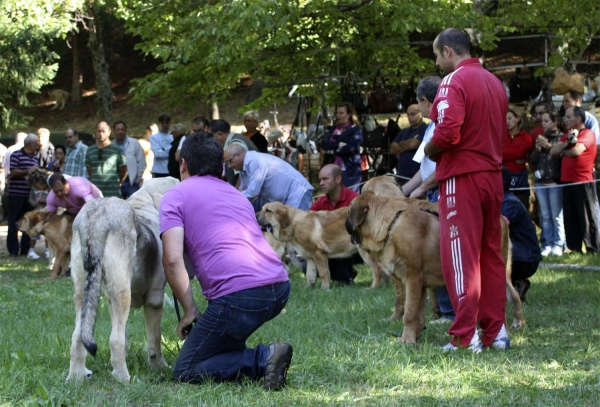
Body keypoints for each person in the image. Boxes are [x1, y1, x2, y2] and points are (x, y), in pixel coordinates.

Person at [160, 132, 292, 389]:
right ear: (221, 165)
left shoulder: (176, 195)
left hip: (240, 297)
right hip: (279, 288)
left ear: (183, 163)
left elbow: (173, 259)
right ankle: (254, 357)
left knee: (186, 369)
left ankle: (263, 358)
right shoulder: (236, 195)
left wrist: (190, 311)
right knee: (219, 336)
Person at [424, 28, 509, 351]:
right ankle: (495, 331)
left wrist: (430, 151)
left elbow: (447, 133)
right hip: (492, 175)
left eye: (436, 55)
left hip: (463, 177)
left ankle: (465, 334)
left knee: (460, 255)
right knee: (490, 254)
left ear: (448, 51)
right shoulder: (494, 82)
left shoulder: (453, 81)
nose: (436, 62)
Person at [400, 76, 455, 324]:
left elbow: (441, 169)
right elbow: (424, 167)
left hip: (440, 195)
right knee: (434, 252)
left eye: (418, 104)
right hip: (427, 192)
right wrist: (404, 191)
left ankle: (451, 311)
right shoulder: (432, 126)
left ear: (424, 101)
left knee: (443, 252)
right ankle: (444, 310)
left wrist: (420, 191)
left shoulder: (443, 124)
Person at [550, 106, 600, 253]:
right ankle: (574, 247)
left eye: (568, 117)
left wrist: (564, 151)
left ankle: (592, 248)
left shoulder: (588, 133)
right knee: (570, 216)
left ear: (578, 119)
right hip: (567, 181)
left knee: (586, 216)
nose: (565, 120)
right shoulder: (568, 135)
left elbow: (577, 151)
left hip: (583, 181)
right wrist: (566, 143)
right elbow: (553, 151)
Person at [224, 144, 314, 210]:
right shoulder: (245, 167)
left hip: (298, 193)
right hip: (289, 197)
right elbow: (243, 190)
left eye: (230, 161)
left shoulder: (255, 161)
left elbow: (252, 192)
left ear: (239, 155)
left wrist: (230, 201)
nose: (229, 166)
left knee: (301, 230)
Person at [310, 164, 359, 285]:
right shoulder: (320, 203)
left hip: (355, 247)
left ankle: (345, 278)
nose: (321, 183)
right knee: (306, 264)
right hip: (330, 248)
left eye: (325, 179)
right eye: (320, 179)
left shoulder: (354, 199)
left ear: (338, 179)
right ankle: (345, 274)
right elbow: (309, 220)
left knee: (344, 242)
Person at [501, 167, 541, 302]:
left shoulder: (509, 203)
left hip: (525, 258)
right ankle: (517, 282)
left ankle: (516, 283)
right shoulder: (503, 200)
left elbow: (499, 228)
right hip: (521, 255)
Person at [529, 111, 566, 256]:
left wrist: (549, 146)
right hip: (541, 183)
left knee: (557, 215)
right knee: (544, 215)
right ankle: (547, 243)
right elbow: (532, 160)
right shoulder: (541, 138)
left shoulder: (562, 138)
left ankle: (559, 243)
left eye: (546, 121)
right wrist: (538, 150)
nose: (542, 123)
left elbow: (562, 157)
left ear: (555, 122)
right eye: (541, 121)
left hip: (555, 182)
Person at [7, 134, 39, 257]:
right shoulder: (16, 155)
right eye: (36, 143)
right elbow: (13, 172)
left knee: (29, 222)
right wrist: (28, 170)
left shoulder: (35, 157)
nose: (38, 145)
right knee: (14, 222)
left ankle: (25, 249)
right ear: (29, 144)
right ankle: (13, 250)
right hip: (16, 195)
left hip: (29, 196)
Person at [321, 102, 363, 192]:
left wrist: (332, 150)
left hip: (350, 170)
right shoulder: (334, 129)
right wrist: (338, 145)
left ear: (349, 115)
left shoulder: (356, 130)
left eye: (341, 113)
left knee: (351, 199)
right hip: (333, 169)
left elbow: (350, 149)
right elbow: (324, 143)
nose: (338, 115)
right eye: (337, 113)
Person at [210, 119, 258, 186]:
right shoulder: (233, 140)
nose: (212, 140)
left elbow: (239, 174)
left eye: (212, 136)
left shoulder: (234, 144)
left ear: (220, 134)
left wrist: (236, 193)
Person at [85, 121, 127, 197]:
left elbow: (123, 170)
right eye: (99, 131)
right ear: (95, 132)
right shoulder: (90, 150)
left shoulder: (117, 150)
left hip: (112, 193)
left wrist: (119, 182)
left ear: (109, 132)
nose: (101, 134)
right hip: (96, 193)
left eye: (104, 131)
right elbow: (89, 170)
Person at [389, 104, 428, 184]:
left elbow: (413, 144)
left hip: (418, 177)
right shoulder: (404, 131)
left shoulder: (426, 129)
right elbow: (392, 149)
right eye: (408, 114)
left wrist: (400, 142)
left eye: (413, 114)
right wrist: (408, 144)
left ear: (421, 114)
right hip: (401, 175)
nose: (410, 117)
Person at [503, 109, 534, 209]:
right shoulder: (501, 136)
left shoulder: (526, 137)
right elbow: (496, 154)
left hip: (520, 178)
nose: (507, 121)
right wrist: (513, 156)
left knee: (522, 206)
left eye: (510, 118)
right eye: (505, 119)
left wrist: (505, 155)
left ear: (517, 119)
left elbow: (520, 153)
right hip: (504, 178)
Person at [113, 120, 146, 198]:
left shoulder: (134, 143)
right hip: (116, 183)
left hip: (132, 183)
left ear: (126, 130)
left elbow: (141, 161)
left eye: (122, 129)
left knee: (134, 206)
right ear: (114, 131)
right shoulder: (111, 145)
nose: (120, 132)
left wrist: (137, 179)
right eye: (118, 129)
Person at [150, 113, 173, 178]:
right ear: (159, 124)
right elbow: (158, 154)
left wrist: (164, 149)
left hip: (172, 170)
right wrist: (171, 151)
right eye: (162, 123)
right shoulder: (154, 137)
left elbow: (177, 153)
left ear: (170, 123)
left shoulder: (173, 136)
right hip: (159, 171)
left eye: (167, 123)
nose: (165, 125)